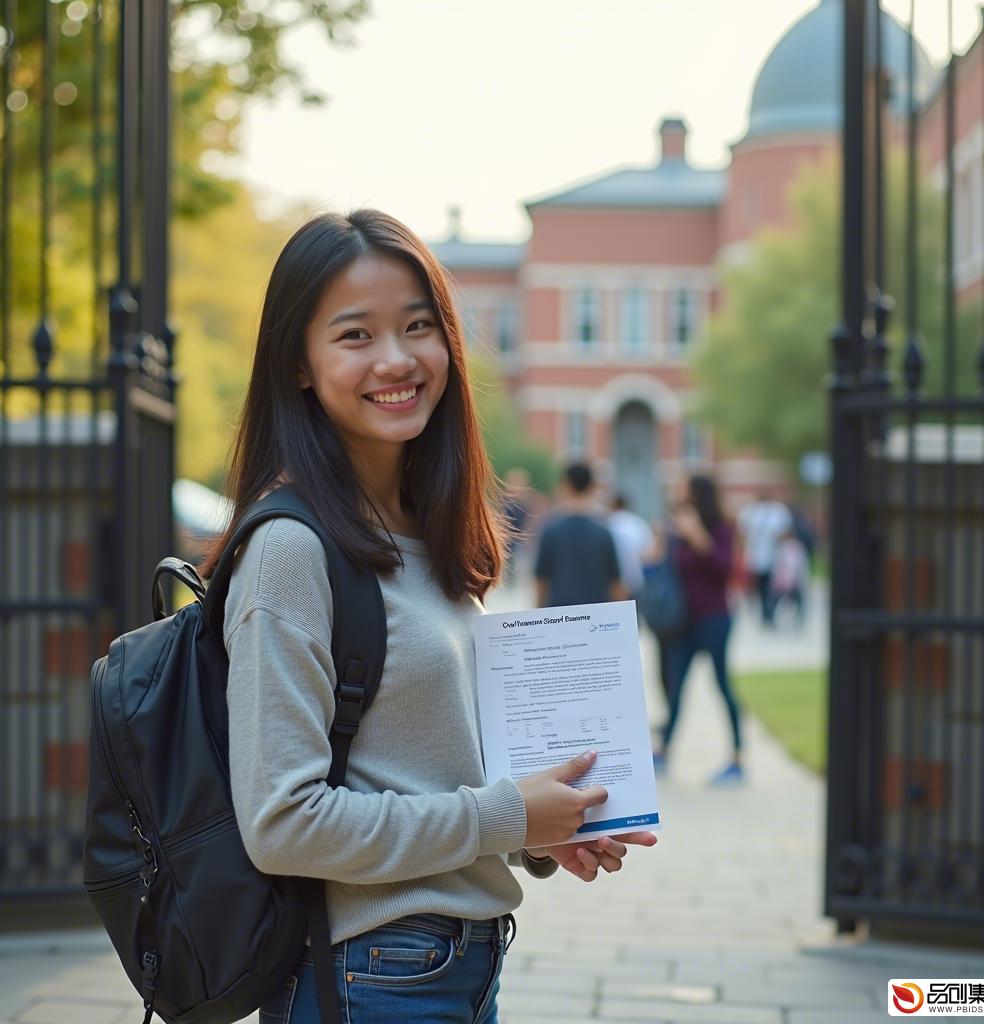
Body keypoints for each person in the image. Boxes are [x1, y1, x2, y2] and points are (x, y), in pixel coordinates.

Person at [198, 210, 657, 1023]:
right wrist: (506, 814)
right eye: (354, 335)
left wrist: (537, 832)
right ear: (298, 365)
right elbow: (283, 823)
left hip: (462, 964)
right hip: (369, 977)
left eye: (419, 326)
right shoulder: (289, 552)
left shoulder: (422, 530)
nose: (397, 359)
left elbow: (424, 772)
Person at [656, 475, 743, 785]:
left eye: (686, 492)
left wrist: (697, 536)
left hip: (715, 618)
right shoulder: (678, 528)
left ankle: (736, 758)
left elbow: (724, 569)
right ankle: (664, 750)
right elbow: (668, 569)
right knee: (677, 687)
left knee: (722, 685)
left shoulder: (721, 527)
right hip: (684, 621)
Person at [533, 463, 626, 608]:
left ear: (566, 485)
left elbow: (541, 581)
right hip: (596, 616)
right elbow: (615, 583)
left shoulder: (550, 531)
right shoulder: (603, 533)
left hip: (559, 615)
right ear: (591, 487)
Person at [737, 491, 792, 627]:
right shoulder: (752, 511)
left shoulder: (776, 511)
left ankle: (768, 611)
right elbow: (742, 534)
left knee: (771, 587)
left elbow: (785, 532)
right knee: (762, 586)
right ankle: (766, 613)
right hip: (759, 557)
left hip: (771, 557)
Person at [607, 493, 654, 599]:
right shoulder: (639, 523)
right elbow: (649, 555)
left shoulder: (608, 524)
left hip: (615, 585)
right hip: (637, 581)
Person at [771, 527, 809, 627]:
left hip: (787, 579)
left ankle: (772, 616)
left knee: (794, 600)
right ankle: (799, 618)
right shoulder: (789, 548)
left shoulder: (785, 548)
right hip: (788, 579)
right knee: (796, 600)